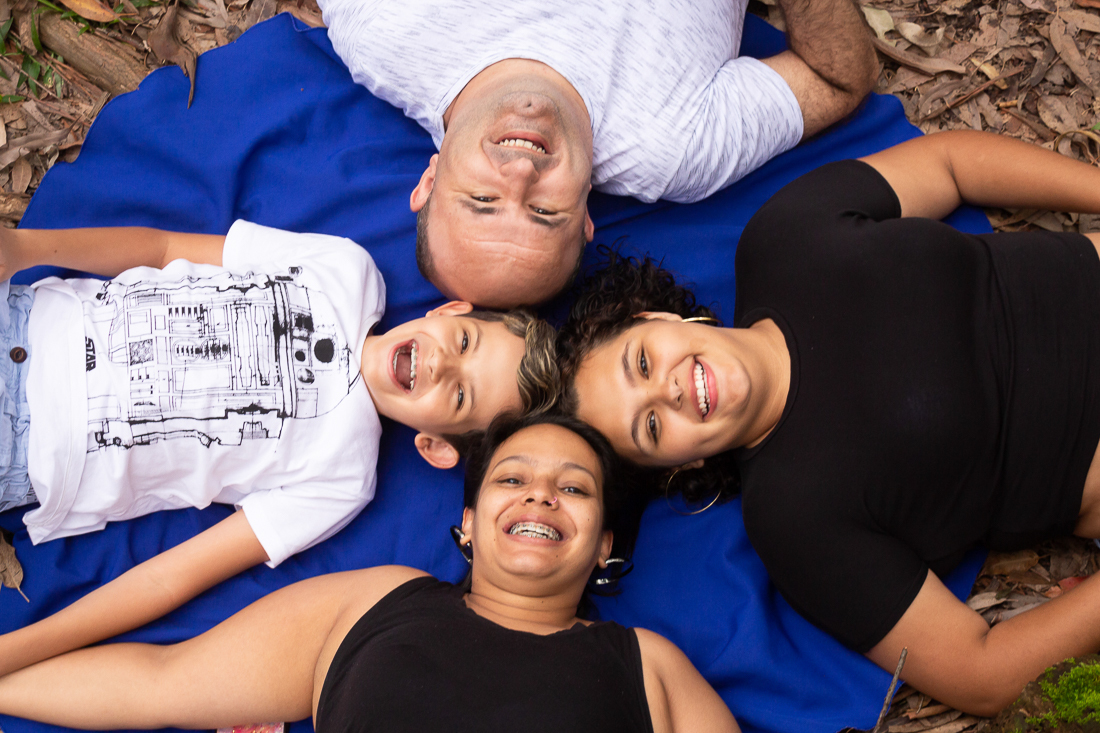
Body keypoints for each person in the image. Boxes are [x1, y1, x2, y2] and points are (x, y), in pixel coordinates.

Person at [555, 130, 1100, 715]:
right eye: (652, 427)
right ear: (679, 463)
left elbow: (949, 164)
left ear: (655, 316)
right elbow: (979, 671)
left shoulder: (783, 238)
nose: (668, 390)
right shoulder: (794, 521)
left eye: (641, 361)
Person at [0, 221, 558, 679]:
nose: (440, 365)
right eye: (464, 343)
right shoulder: (347, 269)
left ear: (435, 446)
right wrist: (25, 248)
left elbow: (171, 575)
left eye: (460, 395)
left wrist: (22, 650)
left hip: (27, 455)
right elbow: (165, 248)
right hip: (23, 322)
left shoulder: (343, 479)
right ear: (449, 311)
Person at [0, 412, 740, 733]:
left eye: (574, 488)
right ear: (467, 526)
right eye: (511, 479)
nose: (541, 493)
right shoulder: (377, 603)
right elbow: (156, 685)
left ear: (606, 546)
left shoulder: (649, 666)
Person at [316, 0, 878, 308]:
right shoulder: (672, 146)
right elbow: (836, 79)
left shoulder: (385, 29)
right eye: (543, 212)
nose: (520, 174)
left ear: (429, 181)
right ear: (586, 217)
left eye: (483, 199)